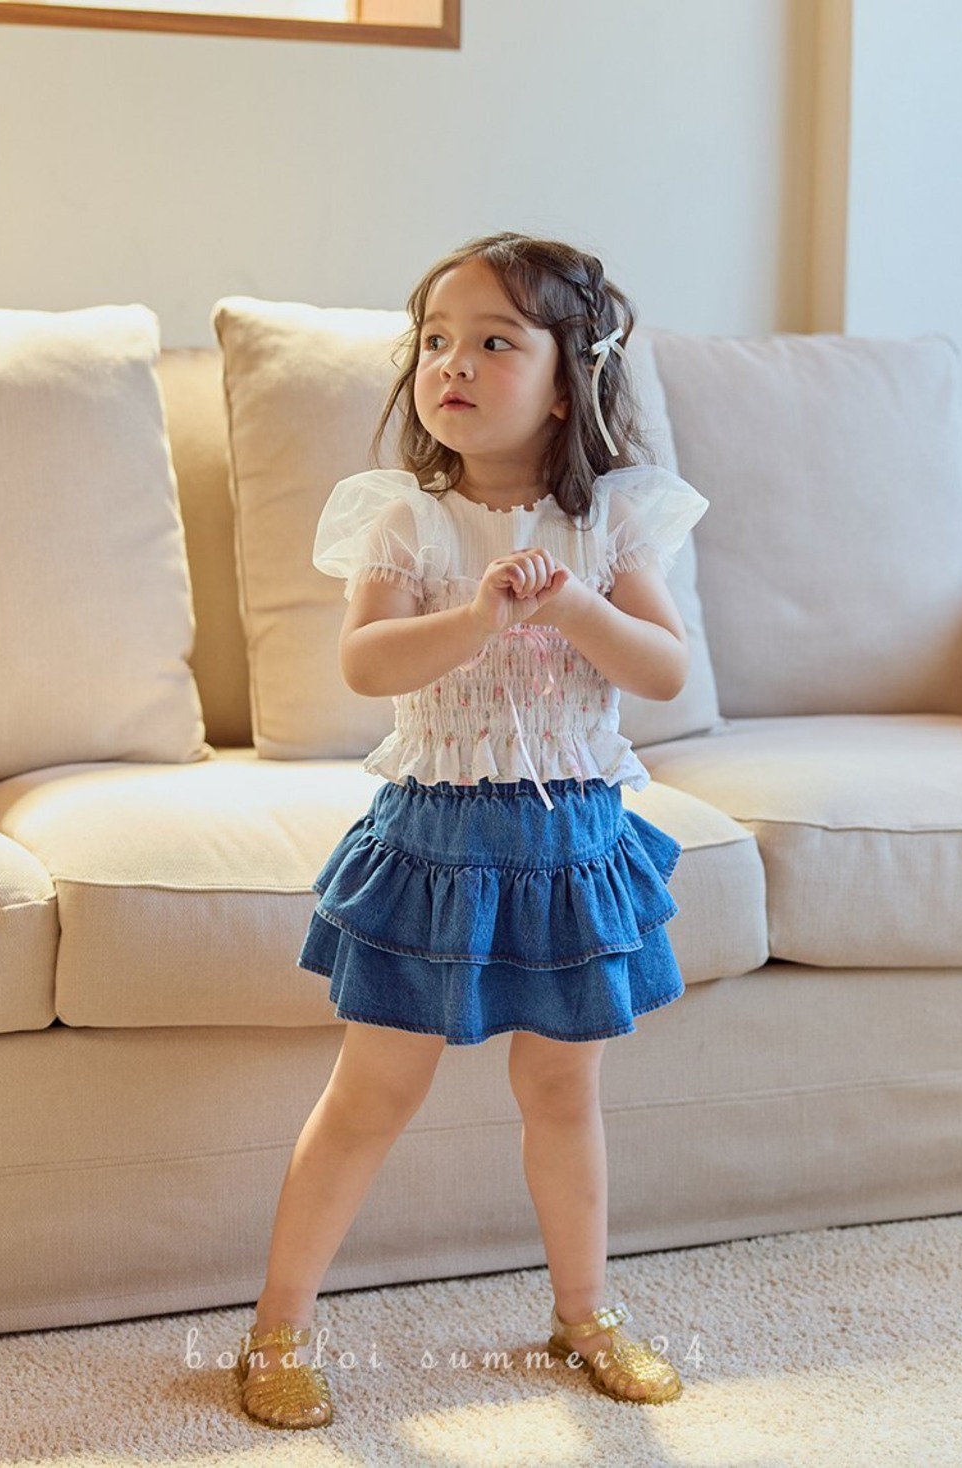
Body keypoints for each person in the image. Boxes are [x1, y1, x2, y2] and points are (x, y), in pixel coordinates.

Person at [237, 232, 709, 1429]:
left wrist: (575, 604)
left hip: (568, 849)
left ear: (565, 382)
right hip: (436, 847)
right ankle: (278, 1325)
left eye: (494, 340)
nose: (452, 363)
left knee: (562, 1093)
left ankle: (582, 1312)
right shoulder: (405, 520)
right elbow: (364, 661)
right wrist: (477, 618)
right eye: (436, 339)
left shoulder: (609, 523)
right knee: (370, 1093)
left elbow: (663, 671)